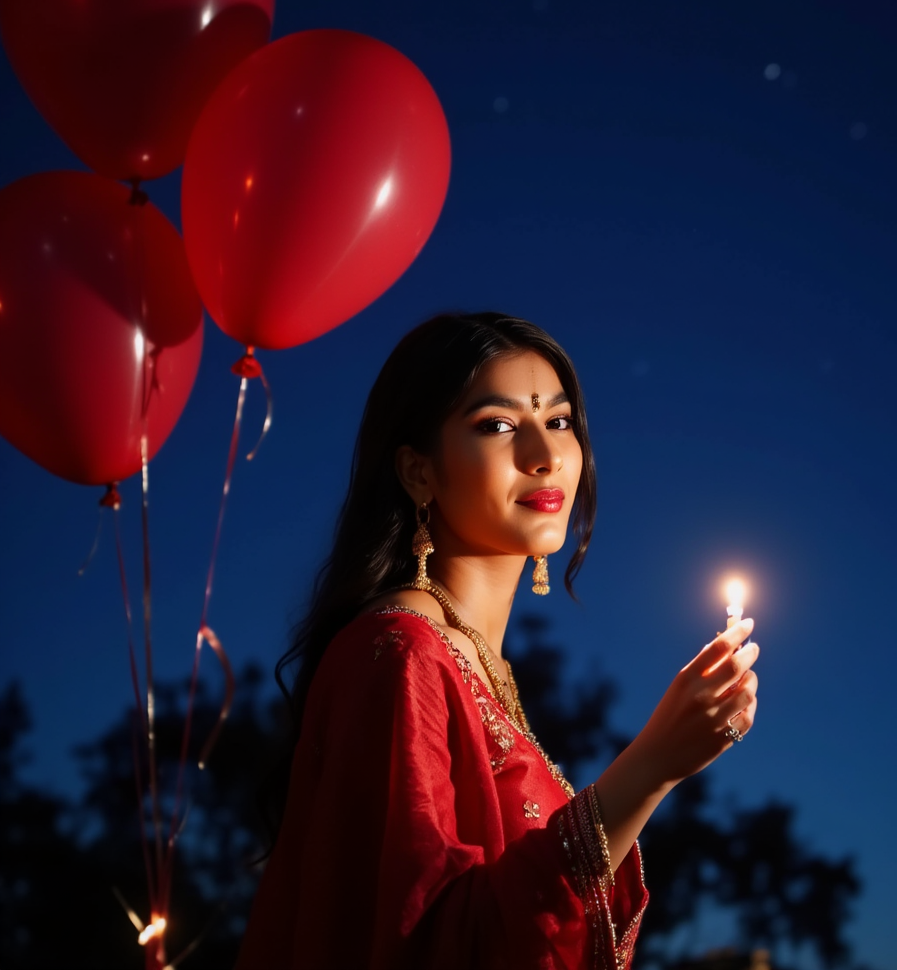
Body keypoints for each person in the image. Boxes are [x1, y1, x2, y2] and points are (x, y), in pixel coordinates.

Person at [236, 312, 759, 970]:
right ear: (418, 472)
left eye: (560, 421)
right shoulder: (398, 652)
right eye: (498, 425)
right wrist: (651, 766)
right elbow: (423, 941)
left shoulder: (478, 666)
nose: (544, 454)